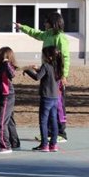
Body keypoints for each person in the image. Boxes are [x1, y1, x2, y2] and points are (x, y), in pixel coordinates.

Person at [15, 12, 70, 142]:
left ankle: (61, 133)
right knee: (50, 106)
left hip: (57, 76)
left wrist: (64, 75)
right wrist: (22, 27)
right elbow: (36, 33)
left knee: (58, 105)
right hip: (48, 73)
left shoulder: (60, 37)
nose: (44, 24)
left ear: (53, 23)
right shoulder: (47, 35)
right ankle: (50, 133)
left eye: (46, 22)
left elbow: (66, 58)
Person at [23, 45, 63, 152]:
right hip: (55, 98)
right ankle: (53, 144)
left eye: (44, 55)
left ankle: (44, 144)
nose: (43, 57)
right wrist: (38, 69)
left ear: (49, 57)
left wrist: (27, 70)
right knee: (53, 120)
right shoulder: (57, 67)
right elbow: (46, 74)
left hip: (46, 97)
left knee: (43, 121)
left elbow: (37, 77)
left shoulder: (46, 66)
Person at [0, 46, 20, 154]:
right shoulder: (2, 66)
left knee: (1, 121)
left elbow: (12, 73)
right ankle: (14, 142)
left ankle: (5, 145)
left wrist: (7, 62)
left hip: (7, 96)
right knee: (9, 120)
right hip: (4, 96)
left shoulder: (8, 66)